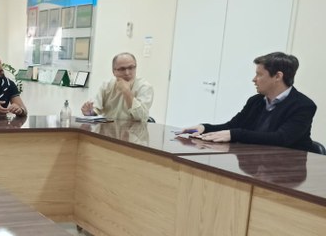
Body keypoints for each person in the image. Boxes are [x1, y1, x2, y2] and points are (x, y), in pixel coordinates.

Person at [180, 52, 317, 152]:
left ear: (277, 76)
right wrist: (205, 127)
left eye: (259, 74)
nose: (254, 79)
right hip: (256, 162)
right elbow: (233, 125)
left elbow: (281, 139)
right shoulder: (255, 101)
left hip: (289, 171)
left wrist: (236, 134)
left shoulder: (303, 106)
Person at [81, 52, 153, 121]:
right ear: (113, 71)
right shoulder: (106, 85)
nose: (127, 73)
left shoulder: (144, 87)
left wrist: (127, 92)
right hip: (107, 131)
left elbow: (141, 117)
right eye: (122, 69)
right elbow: (95, 111)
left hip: (133, 132)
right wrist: (89, 113)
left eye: (131, 68)